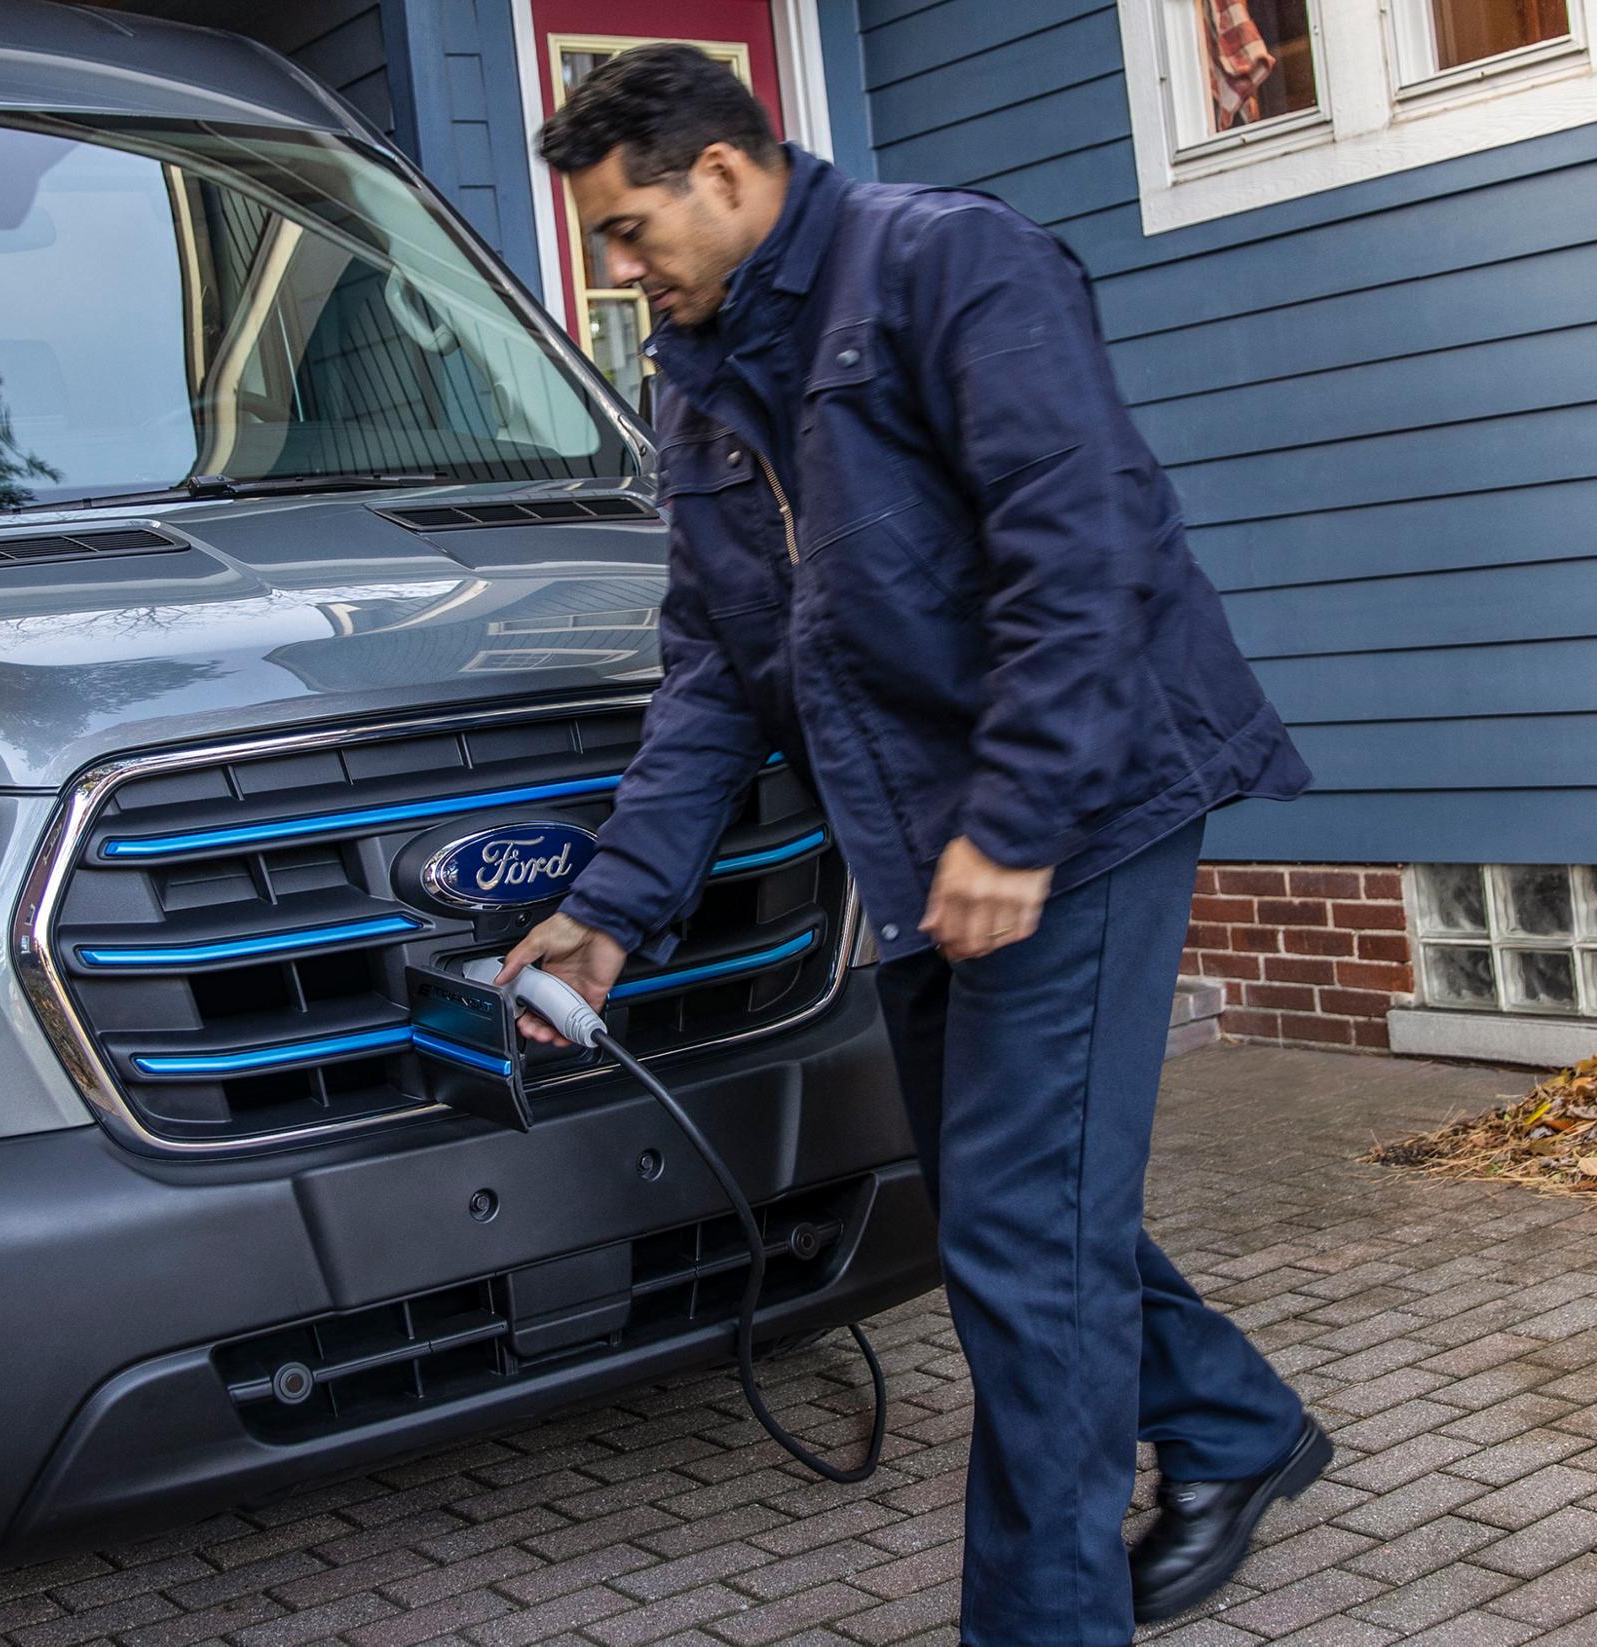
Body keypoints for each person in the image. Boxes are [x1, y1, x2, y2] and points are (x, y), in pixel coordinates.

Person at [492, 44, 1332, 1644]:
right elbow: (713, 671)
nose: (615, 270)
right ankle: (1233, 1425)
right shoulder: (703, 374)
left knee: (1027, 1247)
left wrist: (1016, 823)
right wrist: (614, 909)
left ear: (724, 177)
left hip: (1081, 799)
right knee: (1016, 1209)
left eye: (624, 229)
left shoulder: (949, 261)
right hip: (930, 841)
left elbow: (1079, 550)